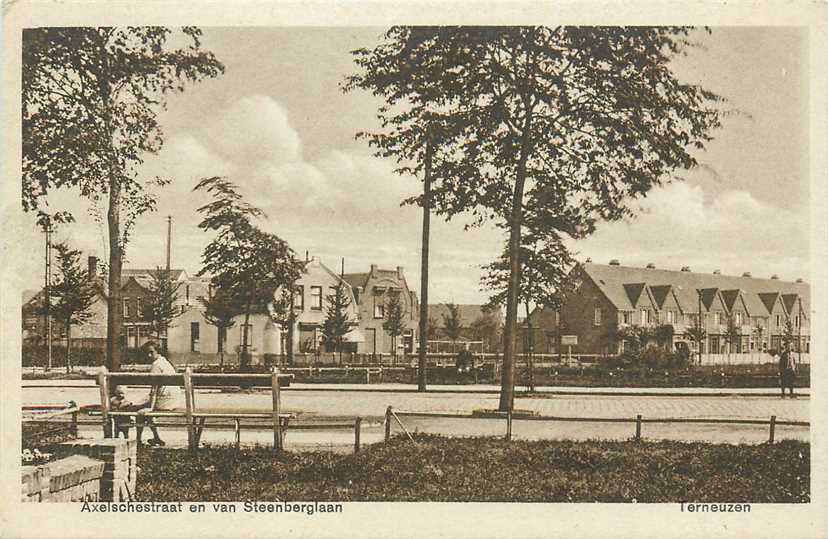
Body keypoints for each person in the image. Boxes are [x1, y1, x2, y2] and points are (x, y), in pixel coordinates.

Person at [134, 342, 183, 446]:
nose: (149, 356)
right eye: (147, 353)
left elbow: (154, 388)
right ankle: (156, 437)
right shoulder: (165, 362)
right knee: (144, 409)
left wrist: (150, 408)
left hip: (164, 401)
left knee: (140, 412)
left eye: (151, 352)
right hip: (174, 400)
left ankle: (138, 440)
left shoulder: (156, 365)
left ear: (158, 351)